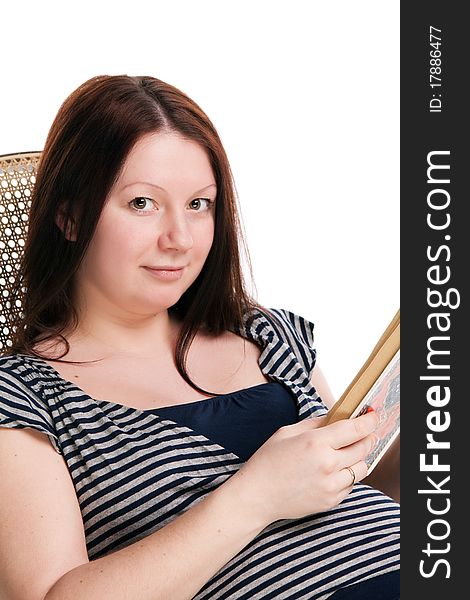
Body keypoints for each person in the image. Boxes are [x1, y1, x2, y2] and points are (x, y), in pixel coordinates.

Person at [0, 74, 399, 600]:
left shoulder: (266, 333)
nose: (180, 240)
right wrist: (256, 495)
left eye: (199, 205)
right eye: (142, 203)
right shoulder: (25, 394)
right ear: (70, 216)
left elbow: (359, 494)